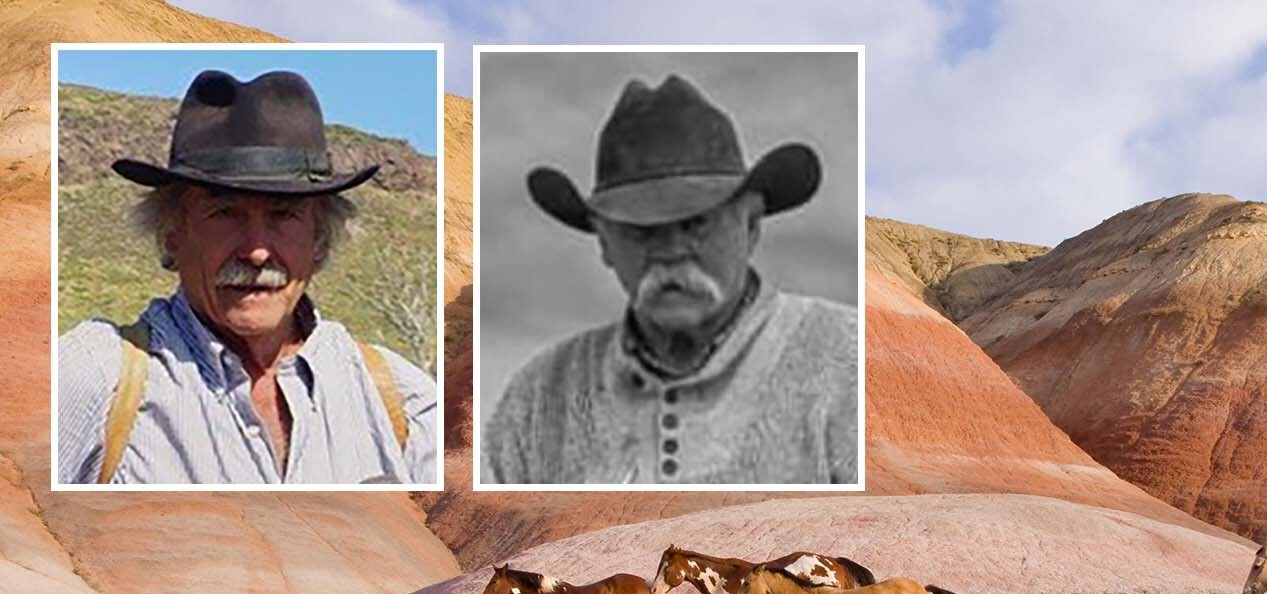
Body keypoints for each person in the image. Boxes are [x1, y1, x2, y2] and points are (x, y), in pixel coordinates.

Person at [57, 69, 436, 485]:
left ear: (319, 240)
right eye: (224, 213)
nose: (256, 249)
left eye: (283, 215)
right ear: (172, 236)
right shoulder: (92, 379)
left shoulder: (398, 399)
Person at [485, 73, 858, 485]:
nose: (670, 251)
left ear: (751, 225)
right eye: (640, 229)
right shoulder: (538, 396)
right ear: (604, 242)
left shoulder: (846, 363)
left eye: (696, 223)